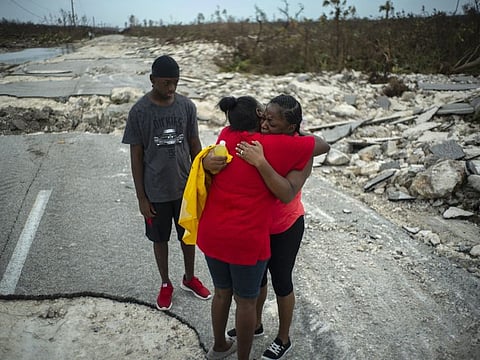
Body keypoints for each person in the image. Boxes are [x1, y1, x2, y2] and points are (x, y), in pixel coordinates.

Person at [208, 94, 330, 360]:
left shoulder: (299, 149)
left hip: (285, 226)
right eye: (264, 117)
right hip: (257, 228)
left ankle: (283, 338)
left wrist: (260, 162)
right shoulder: (263, 140)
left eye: (272, 123)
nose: (264, 125)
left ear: (290, 127)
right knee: (256, 284)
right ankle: (255, 324)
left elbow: (287, 193)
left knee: (282, 282)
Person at [122, 55, 211, 311]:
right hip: (156, 191)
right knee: (159, 239)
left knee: (188, 237)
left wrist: (203, 179)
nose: (171, 88)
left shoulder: (186, 106)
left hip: (185, 188)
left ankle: (189, 277)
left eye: (175, 82)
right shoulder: (139, 112)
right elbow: (136, 156)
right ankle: (165, 283)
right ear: (152, 80)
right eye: (165, 83)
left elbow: (194, 143)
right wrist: (141, 197)